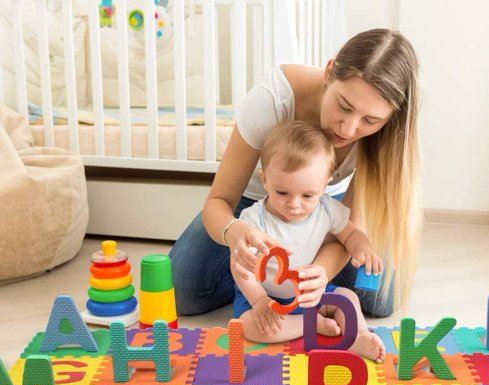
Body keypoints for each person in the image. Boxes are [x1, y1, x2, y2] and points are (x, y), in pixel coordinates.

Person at [169, 28, 421, 319]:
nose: (348, 129)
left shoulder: (384, 137)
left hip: (323, 204)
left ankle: (297, 267)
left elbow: (349, 226)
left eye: (370, 120)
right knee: (182, 293)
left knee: (382, 299)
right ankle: (266, 277)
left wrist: (322, 272)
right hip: (252, 203)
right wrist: (235, 233)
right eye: (344, 106)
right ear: (329, 71)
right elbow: (219, 201)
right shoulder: (272, 99)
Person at [232, 120, 386, 363]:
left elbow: (350, 233)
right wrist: (259, 300)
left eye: (307, 195)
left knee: (347, 297)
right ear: (265, 179)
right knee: (248, 326)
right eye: (282, 192)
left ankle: (357, 336)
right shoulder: (253, 219)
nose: (294, 204)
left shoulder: (326, 209)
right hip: (268, 298)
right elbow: (240, 267)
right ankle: (310, 324)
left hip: (312, 296)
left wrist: (363, 247)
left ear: (324, 186)